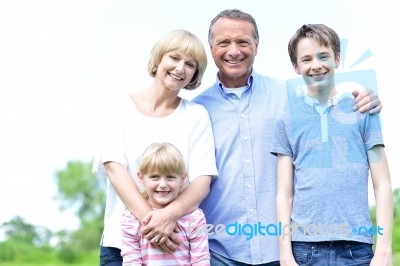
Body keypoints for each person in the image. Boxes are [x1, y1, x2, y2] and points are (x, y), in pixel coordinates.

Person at [191, 9, 383, 265]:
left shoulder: (290, 96)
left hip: (283, 252)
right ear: (211, 47)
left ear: (257, 46)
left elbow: (329, 97)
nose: (233, 50)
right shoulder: (196, 110)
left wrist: (368, 100)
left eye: (243, 42)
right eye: (223, 42)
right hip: (219, 251)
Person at [92, 29, 218, 266]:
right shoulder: (119, 105)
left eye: (190, 64)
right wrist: (154, 225)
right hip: (122, 246)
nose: (180, 68)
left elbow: (202, 180)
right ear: (158, 59)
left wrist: (169, 217)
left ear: (194, 75)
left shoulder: (196, 116)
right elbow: (114, 169)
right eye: (174, 57)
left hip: (178, 247)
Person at [272, 24, 392, 266]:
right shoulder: (286, 120)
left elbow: (383, 185)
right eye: (306, 59)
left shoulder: (363, 111)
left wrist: (384, 251)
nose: (315, 64)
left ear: (337, 58)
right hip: (304, 250)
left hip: (356, 249)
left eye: (323, 56)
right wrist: (285, 255)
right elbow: (284, 194)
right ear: (296, 67)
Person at [120, 142, 210, 265]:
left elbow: (201, 260)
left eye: (170, 177)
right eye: (155, 177)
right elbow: (131, 262)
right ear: (141, 178)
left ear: (183, 179)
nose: (163, 185)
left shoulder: (195, 218)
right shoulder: (130, 220)